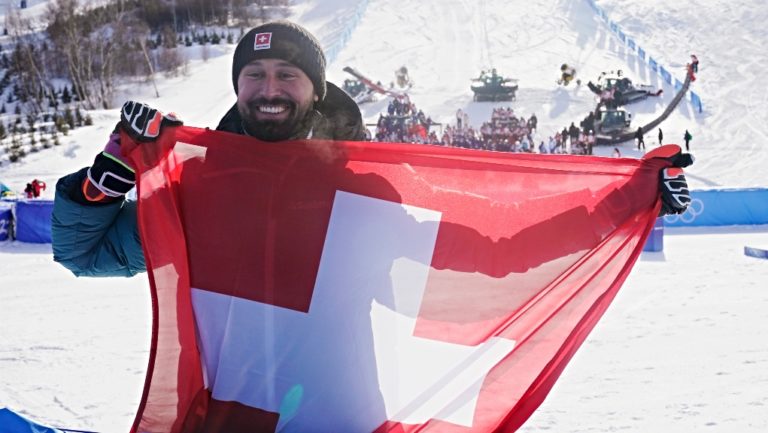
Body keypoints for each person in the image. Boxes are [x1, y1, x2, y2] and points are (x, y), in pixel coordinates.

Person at [49, 19, 694, 430]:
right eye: (254, 74)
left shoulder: (363, 192)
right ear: (238, 87)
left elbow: (498, 248)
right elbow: (86, 254)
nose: (269, 87)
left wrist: (629, 198)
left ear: (315, 89)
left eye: (287, 75)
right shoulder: (202, 190)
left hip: (341, 418)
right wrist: (108, 172)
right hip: (223, 417)